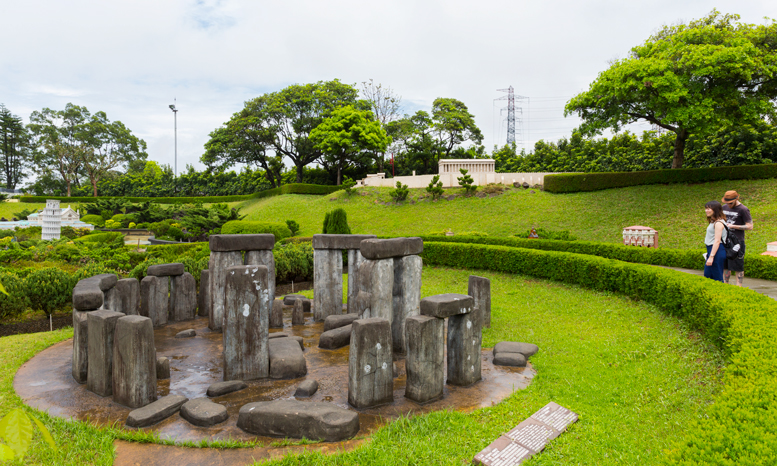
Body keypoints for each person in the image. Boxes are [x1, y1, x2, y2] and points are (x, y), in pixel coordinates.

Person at [721, 190, 753, 287]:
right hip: (725, 240)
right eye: (726, 202)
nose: (728, 205)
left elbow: (750, 226)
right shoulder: (724, 207)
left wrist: (733, 226)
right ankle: (725, 285)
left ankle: (739, 287)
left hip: (737, 242)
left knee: (738, 265)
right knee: (725, 265)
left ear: (736, 199)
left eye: (730, 203)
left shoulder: (743, 209)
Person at [704, 201, 728, 282]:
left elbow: (717, 241)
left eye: (709, 209)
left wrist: (711, 257)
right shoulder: (714, 221)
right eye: (706, 208)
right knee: (708, 275)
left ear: (715, 210)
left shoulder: (718, 223)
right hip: (712, 249)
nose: (706, 211)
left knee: (717, 277)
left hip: (717, 250)